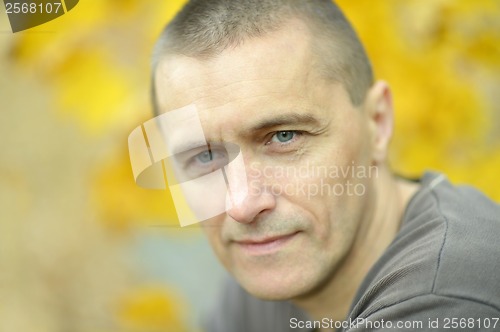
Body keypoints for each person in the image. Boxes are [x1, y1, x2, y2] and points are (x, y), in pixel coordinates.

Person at [141, 0, 500, 330]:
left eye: (284, 137)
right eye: (205, 156)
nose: (242, 205)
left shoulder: (443, 297)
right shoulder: (271, 264)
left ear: (377, 122)